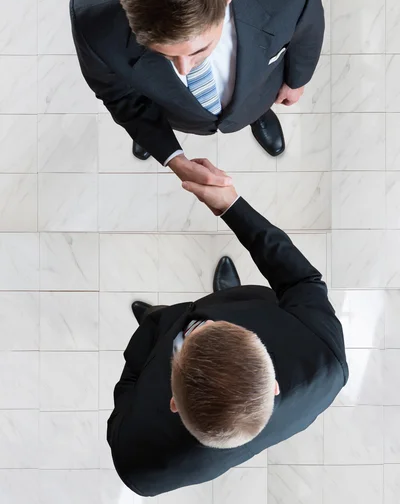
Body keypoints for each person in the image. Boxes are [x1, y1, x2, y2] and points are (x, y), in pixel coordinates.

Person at [107, 159, 348, 497]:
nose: (199, 321)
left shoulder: (140, 466)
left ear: (173, 402)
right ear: (274, 384)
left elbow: (125, 396)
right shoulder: (327, 362)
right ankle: (220, 300)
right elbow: (300, 280)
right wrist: (232, 206)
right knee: (198, 312)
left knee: (162, 320)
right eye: (220, 326)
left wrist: (151, 338)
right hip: (243, 304)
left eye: (195, 331)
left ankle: (159, 319)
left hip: (155, 345)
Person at [70, 0, 324, 189]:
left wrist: (297, 81)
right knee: (145, 119)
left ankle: (256, 115)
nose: (184, 70)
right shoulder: (91, 21)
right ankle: (151, 134)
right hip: (168, 108)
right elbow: (119, 95)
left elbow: (307, 29)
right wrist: (171, 155)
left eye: (199, 50)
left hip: (258, 90)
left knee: (250, 97)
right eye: (165, 54)